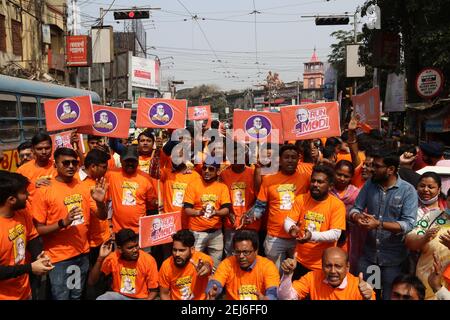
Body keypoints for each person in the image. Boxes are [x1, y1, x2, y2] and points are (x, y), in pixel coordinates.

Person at [31, 147, 108, 300]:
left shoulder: (83, 187)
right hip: (59, 258)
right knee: (61, 297)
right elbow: (39, 230)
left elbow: (102, 216)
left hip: (82, 254)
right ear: (55, 165)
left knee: (76, 295)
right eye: (66, 163)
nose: (71, 166)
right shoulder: (44, 190)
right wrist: (63, 223)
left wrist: (100, 203)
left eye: (74, 162)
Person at [349, 148, 418, 300]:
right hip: (369, 257)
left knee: (389, 297)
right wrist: (357, 217)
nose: (371, 169)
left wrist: (378, 224)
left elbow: (408, 225)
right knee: (366, 295)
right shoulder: (369, 185)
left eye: (377, 166)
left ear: (390, 170)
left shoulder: (408, 191)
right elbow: (355, 209)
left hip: (393, 261)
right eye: (372, 165)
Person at [243, 144, 310, 272]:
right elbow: (260, 206)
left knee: (297, 274)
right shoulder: (268, 180)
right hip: (275, 237)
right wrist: (251, 217)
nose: (290, 160)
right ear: (279, 159)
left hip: (299, 237)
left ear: (298, 160)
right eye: (286, 157)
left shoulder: (306, 179)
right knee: (275, 274)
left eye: (293, 157)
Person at [284, 165, 346, 279]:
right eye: (313, 181)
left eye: (320, 182)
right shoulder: (301, 199)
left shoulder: (337, 205)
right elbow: (288, 221)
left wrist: (312, 236)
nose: (315, 184)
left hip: (323, 264)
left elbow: (336, 234)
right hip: (299, 260)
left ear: (330, 186)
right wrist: (291, 228)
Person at [0, 171, 53, 300]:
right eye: (24, 192)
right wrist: (30, 268)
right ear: (11, 200)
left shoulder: (22, 213)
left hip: (24, 291)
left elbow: (32, 236)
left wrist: (38, 255)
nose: (29, 195)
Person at [405, 176, 450, 299]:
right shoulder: (433, 216)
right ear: (447, 200)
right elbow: (409, 241)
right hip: (424, 284)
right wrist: (424, 238)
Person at [183, 161, 232, 269]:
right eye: (204, 168)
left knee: (215, 267)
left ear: (218, 172)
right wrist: (199, 212)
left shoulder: (222, 187)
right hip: (197, 233)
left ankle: (212, 285)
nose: (206, 171)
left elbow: (226, 210)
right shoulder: (193, 185)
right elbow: (187, 209)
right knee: (194, 265)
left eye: (211, 169)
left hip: (216, 233)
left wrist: (216, 212)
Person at [206, 230, 279, 300]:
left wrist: (268, 298)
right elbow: (216, 283)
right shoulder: (227, 263)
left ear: (256, 251)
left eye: (246, 252)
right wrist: (212, 290)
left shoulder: (268, 266)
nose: (241, 256)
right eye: (237, 252)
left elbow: (272, 291)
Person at [278, 247, 375, 300]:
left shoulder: (360, 288)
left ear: (347, 267)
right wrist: (287, 275)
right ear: (322, 266)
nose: (333, 271)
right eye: (328, 266)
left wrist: (368, 299)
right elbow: (286, 297)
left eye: (338, 266)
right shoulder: (312, 277)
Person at [88, 229, 159, 300]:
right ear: (120, 249)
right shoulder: (113, 258)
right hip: (118, 295)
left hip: (140, 298)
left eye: (136, 246)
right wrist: (100, 258)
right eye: (130, 248)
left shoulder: (148, 260)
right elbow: (91, 281)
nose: (135, 250)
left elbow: (154, 291)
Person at [107, 146, 157, 234]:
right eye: (127, 160)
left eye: (133, 161)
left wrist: (157, 202)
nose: (130, 163)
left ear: (138, 161)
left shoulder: (145, 178)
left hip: (140, 231)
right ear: (121, 160)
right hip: (118, 231)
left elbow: (151, 203)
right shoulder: (111, 174)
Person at [220, 143, 259, 257]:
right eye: (234, 156)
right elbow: (220, 197)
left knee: (250, 255)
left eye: (240, 155)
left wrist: (250, 213)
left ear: (246, 157)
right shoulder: (224, 174)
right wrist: (229, 213)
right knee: (231, 254)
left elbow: (260, 197)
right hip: (231, 223)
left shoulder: (253, 173)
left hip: (250, 223)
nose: (236, 159)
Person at [159, 229, 213, 300]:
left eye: (182, 250)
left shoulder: (202, 259)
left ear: (192, 249)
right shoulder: (166, 265)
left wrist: (205, 268)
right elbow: (164, 294)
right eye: (174, 250)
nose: (177, 254)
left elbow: (207, 265)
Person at [330, 160, 362, 273]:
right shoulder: (327, 191)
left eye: (346, 176)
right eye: (339, 174)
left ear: (351, 177)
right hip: (329, 234)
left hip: (350, 237)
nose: (342, 178)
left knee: (345, 263)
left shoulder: (356, 194)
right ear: (334, 172)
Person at [16, 132, 57, 202]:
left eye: (47, 148)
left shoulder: (58, 167)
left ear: (52, 148)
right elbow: (17, 194)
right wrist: (33, 185)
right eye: (39, 149)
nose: (44, 152)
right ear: (33, 150)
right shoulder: (22, 171)